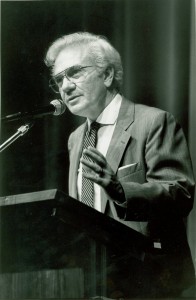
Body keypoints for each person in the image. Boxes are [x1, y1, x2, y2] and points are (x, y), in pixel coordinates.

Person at [45, 32, 195, 298]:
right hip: (94, 284)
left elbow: (180, 193)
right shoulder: (75, 139)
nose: (65, 87)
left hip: (150, 284)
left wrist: (120, 190)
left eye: (75, 73)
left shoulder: (153, 122)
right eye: (59, 80)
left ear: (108, 75)